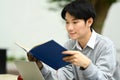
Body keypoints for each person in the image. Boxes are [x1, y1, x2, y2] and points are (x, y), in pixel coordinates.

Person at [27, 0, 120, 80]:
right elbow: (63, 77)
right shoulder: (69, 45)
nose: (69, 28)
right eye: (67, 22)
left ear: (89, 22)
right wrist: (41, 67)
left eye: (75, 22)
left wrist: (87, 65)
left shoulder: (106, 45)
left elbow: (105, 78)